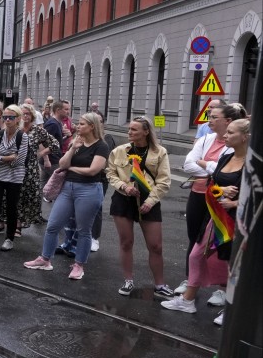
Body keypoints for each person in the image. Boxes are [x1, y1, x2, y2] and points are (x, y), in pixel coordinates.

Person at [162, 118, 249, 325]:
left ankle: (232, 309)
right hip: (215, 219)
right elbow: (212, 185)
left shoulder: (252, 165)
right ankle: (188, 300)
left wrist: (236, 202)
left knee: (224, 265)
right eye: (226, 132)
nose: (225, 136)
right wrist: (221, 191)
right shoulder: (226, 157)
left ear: (245, 137)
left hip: (235, 224)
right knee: (196, 255)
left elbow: (256, 196)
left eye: (230, 133)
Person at [24, 113, 110, 279]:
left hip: (89, 189)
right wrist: (72, 148)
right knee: (53, 225)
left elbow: (93, 170)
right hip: (67, 188)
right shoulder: (75, 142)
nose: (78, 126)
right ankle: (45, 260)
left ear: (92, 126)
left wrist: (71, 169)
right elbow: (63, 164)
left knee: (84, 230)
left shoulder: (101, 146)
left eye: (82, 124)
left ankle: (79, 266)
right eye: (78, 123)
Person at [177, 102, 246, 300]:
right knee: (196, 241)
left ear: (228, 121)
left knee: (223, 249)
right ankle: (191, 285)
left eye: (214, 116)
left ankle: (223, 291)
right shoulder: (207, 139)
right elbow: (189, 165)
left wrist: (208, 168)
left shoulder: (235, 152)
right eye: (209, 115)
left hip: (225, 207)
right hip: (203, 196)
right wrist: (211, 170)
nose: (210, 120)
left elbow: (225, 177)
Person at [106, 117, 173, 298]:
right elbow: (111, 174)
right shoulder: (119, 151)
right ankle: (128, 280)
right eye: (129, 129)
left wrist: (150, 202)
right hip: (123, 199)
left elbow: (164, 181)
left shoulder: (160, 152)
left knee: (155, 245)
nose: (130, 133)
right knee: (126, 242)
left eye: (134, 130)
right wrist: (124, 187)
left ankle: (160, 284)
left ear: (146, 132)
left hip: (149, 200)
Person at [0, 105, 29, 252]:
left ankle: (9, 239)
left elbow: (20, 160)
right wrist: (9, 156)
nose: (7, 120)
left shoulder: (23, 136)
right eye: (5, 117)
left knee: (11, 208)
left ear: (18, 119)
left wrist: (1, 157)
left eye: (11, 117)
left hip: (15, 178)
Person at [17, 103, 58, 231]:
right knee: (14, 195)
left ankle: (21, 223)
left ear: (32, 115)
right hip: (14, 167)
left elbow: (54, 144)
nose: (25, 116)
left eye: (27, 113)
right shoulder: (15, 129)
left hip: (31, 169)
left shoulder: (38, 130)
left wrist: (42, 153)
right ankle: (13, 223)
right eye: (23, 113)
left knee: (28, 195)